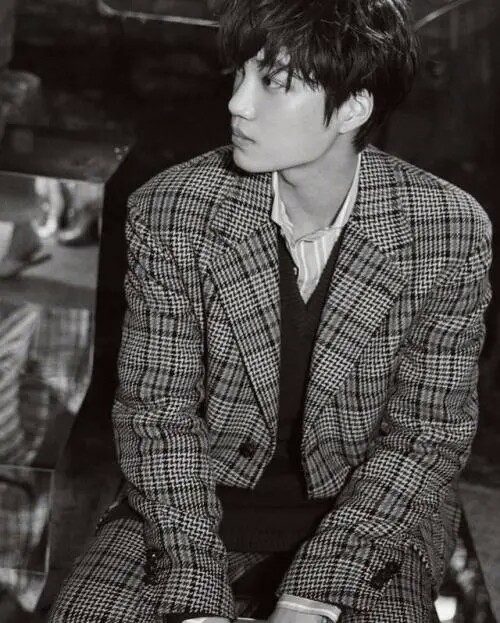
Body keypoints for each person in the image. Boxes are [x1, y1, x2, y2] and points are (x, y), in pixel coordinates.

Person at [49, 0, 492, 622]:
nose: (238, 103)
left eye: (276, 83)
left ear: (354, 107)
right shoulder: (173, 209)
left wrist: (314, 595)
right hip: (187, 503)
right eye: (241, 74)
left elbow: (428, 432)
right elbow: (156, 413)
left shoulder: (445, 229)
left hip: (369, 513)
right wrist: (194, 589)